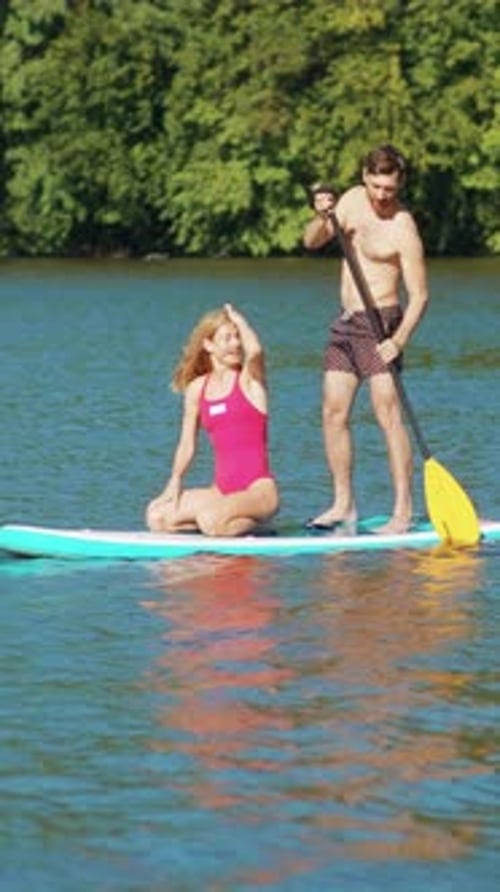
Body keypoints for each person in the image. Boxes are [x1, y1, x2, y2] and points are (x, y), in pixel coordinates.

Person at [303, 144, 429, 535]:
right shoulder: (352, 202)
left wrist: (399, 340)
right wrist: (322, 217)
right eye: (375, 186)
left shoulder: (403, 227)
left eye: (389, 189)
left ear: (400, 183)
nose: (381, 195)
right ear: (364, 177)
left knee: (387, 416)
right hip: (346, 323)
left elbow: (421, 295)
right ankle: (344, 504)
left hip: (383, 324)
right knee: (332, 412)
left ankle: (402, 512)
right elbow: (311, 242)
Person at [145, 303, 279, 537]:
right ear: (208, 345)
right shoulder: (198, 388)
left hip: (259, 492)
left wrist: (240, 321)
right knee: (157, 515)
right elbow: (187, 443)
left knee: (210, 519)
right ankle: (224, 523)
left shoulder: (250, 381)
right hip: (220, 492)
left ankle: (259, 527)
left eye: (237, 337)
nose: (236, 344)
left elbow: (255, 351)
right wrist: (175, 480)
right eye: (227, 338)